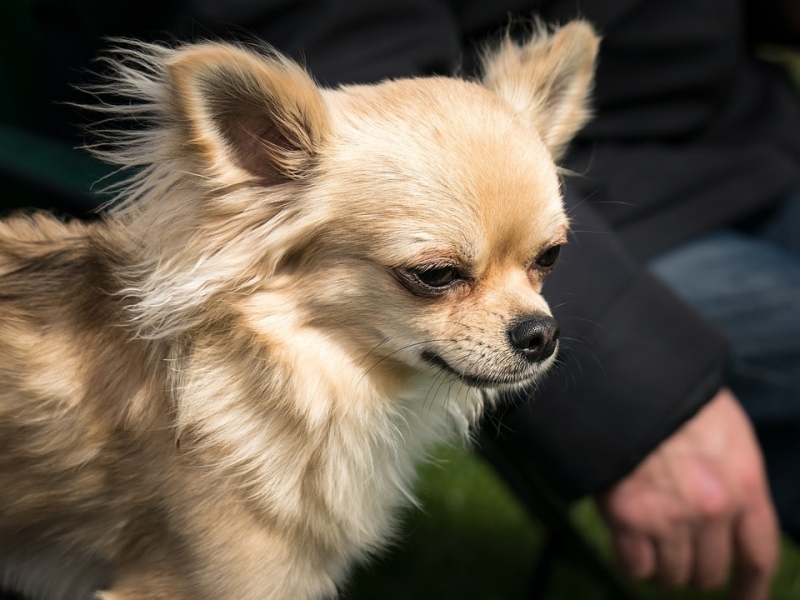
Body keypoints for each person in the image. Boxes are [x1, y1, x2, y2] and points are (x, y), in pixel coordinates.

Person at [27, 0, 800, 598]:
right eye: (436, 275)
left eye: (545, 262)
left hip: (750, 139)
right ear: (260, 181)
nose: (532, 317)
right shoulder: (218, 461)